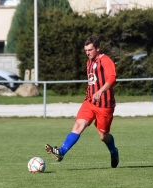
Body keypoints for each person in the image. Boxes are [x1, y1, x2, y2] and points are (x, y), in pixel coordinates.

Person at [45, 35, 119, 168]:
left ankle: (114, 151)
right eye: (86, 50)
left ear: (97, 48)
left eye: (90, 50)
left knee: (103, 136)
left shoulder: (105, 60)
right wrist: (91, 94)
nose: (87, 53)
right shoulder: (89, 63)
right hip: (90, 102)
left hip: (104, 105)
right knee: (78, 125)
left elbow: (112, 78)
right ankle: (61, 152)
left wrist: (101, 91)